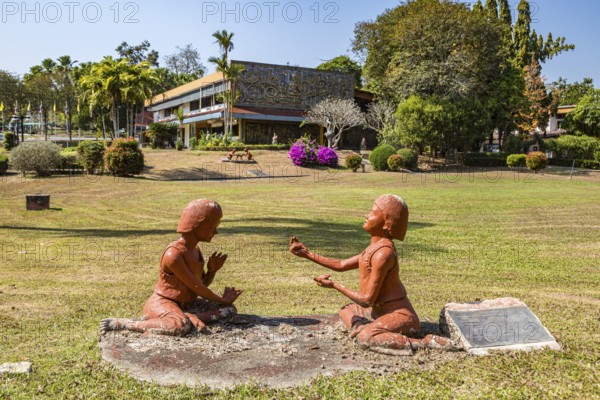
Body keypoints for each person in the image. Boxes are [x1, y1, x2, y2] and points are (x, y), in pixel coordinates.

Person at [290, 195, 453, 353]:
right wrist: (307, 254)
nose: (366, 215)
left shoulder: (383, 254)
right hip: (377, 312)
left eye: (373, 212)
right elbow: (341, 265)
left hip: (401, 316)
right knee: (346, 310)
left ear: (386, 222)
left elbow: (367, 300)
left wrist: (334, 285)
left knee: (366, 338)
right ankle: (363, 328)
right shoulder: (373, 249)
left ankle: (422, 342)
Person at [101, 199, 243, 336]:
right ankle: (126, 324)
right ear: (198, 225)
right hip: (163, 303)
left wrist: (212, 271)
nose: (216, 232)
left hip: (188, 304)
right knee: (179, 325)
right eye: (212, 227)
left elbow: (198, 286)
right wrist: (222, 299)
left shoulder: (195, 251)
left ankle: (189, 316)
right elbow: (197, 287)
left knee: (228, 310)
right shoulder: (173, 255)